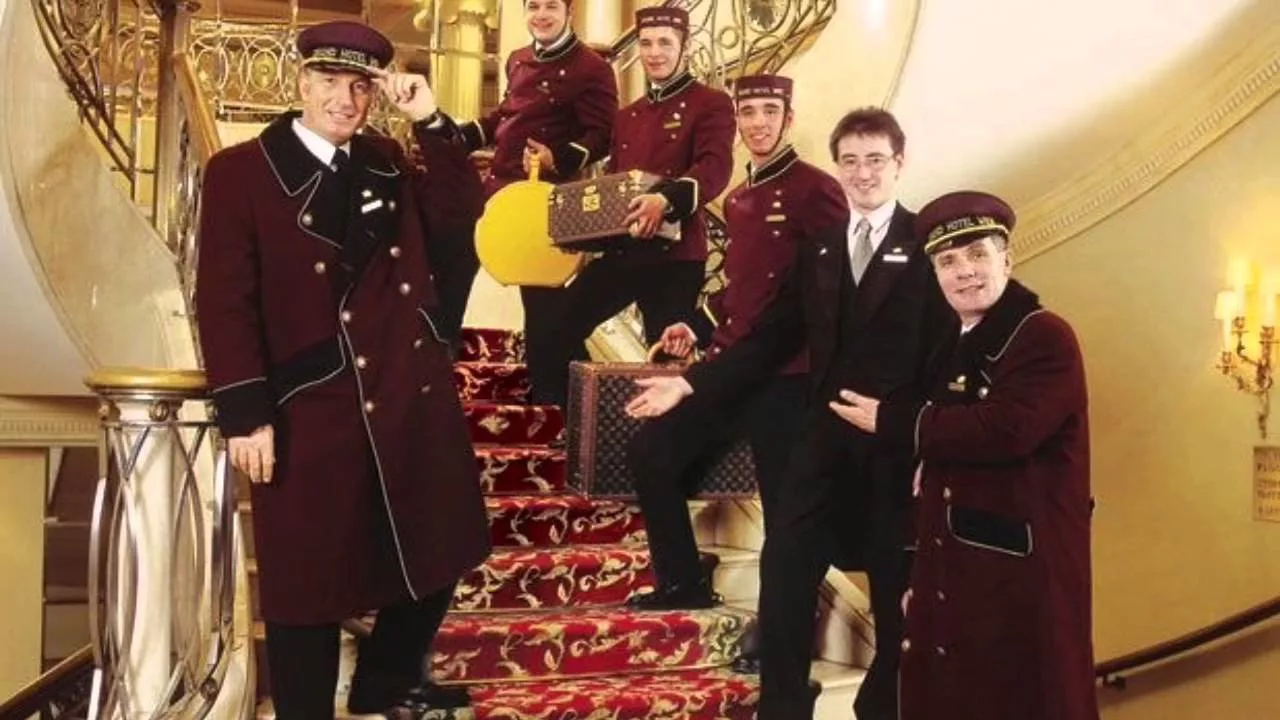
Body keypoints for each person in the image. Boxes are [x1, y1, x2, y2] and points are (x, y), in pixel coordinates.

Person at [194, 21, 492, 719]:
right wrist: (245, 412)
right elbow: (224, 300)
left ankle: (385, 680)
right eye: (329, 82)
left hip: (403, 383)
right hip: (309, 399)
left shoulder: (387, 159)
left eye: (360, 87)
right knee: (307, 580)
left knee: (442, 541)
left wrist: (432, 121)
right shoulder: (241, 172)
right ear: (301, 83)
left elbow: (460, 219)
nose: (344, 100)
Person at [626, 107, 948, 719]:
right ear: (838, 166)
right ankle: (783, 707)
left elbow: (945, 353)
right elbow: (773, 335)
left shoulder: (928, 247)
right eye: (850, 161)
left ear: (899, 163)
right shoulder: (822, 248)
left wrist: (922, 438)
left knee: (893, 595)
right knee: (784, 573)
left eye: (875, 160)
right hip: (820, 442)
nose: (862, 173)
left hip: (893, 450)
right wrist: (691, 384)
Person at [832, 191, 1099, 720]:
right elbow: (940, 469)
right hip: (957, 575)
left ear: (1007, 259)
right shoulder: (955, 344)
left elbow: (1006, 429)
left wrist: (895, 421)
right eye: (948, 261)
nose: (965, 272)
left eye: (978, 254)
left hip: (1016, 582)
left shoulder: (1043, 335)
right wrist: (922, 581)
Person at [621, 73, 844, 610]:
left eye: (770, 111)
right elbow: (741, 291)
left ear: (789, 119)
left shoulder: (817, 190)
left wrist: (695, 380)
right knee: (651, 453)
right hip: (733, 368)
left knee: (785, 513)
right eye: (748, 112)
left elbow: (808, 306)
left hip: (785, 377)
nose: (758, 122)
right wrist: (695, 326)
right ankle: (683, 583)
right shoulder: (741, 196)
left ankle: (783, 631)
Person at [527, 5, 736, 407]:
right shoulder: (627, 116)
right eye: (647, 43)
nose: (654, 53)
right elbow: (614, 187)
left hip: (675, 258)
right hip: (626, 253)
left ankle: (663, 437)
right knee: (555, 328)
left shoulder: (710, 103)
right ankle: (592, 416)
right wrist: (583, 236)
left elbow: (714, 166)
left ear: (685, 46)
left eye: (665, 43)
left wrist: (665, 199)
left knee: (666, 359)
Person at [423, 0, 618, 361]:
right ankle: (441, 358)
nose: (541, 15)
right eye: (533, 7)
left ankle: (552, 387)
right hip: (499, 190)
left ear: (569, 12)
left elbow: (604, 134)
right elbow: (505, 117)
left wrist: (557, 158)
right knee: (454, 266)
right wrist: (457, 137)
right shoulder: (517, 58)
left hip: (543, 199)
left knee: (543, 305)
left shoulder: (592, 67)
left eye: (551, 7)